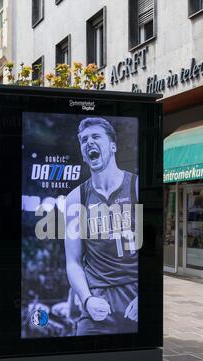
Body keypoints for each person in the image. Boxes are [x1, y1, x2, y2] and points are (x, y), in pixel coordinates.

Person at [65, 117, 138, 336]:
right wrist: (86, 300)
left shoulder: (136, 187)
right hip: (97, 299)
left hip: (134, 295)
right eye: (84, 140)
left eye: (96, 137)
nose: (89, 142)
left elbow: (153, 252)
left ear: (113, 146)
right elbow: (73, 261)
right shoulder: (76, 197)